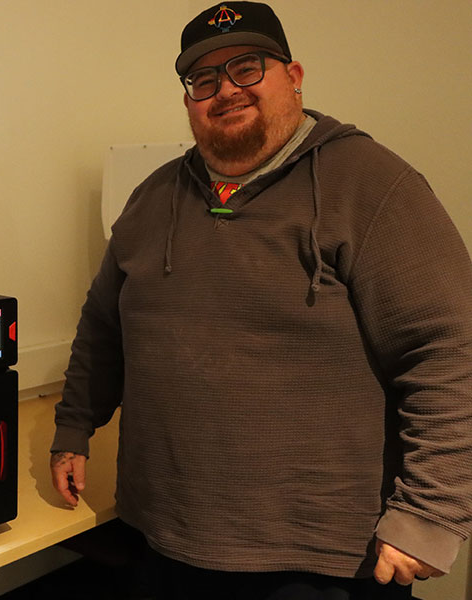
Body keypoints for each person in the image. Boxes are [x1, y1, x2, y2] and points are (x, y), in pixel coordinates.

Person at [50, 2, 472, 598]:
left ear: (292, 77)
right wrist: (73, 428)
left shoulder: (372, 184)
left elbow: (450, 350)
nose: (225, 90)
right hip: (163, 536)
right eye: (204, 79)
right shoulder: (151, 197)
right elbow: (102, 329)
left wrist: (432, 512)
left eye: (247, 67)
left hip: (323, 560)